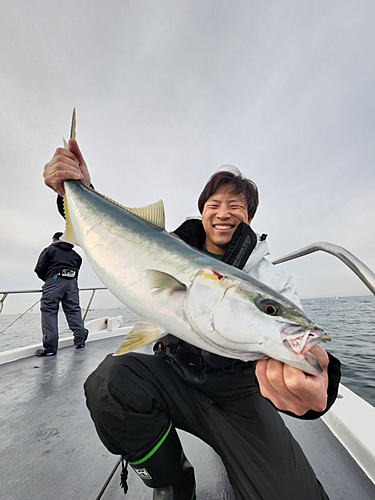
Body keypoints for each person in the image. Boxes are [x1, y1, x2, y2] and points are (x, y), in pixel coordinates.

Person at [43, 139, 341, 499]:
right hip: (175, 378)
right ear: (202, 212)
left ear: (249, 216)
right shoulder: (166, 244)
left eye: (236, 205)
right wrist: (76, 191)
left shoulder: (270, 279)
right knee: (110, 382)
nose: (223, 212)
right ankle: (172, 482)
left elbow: (302, 345)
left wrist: (322, 380)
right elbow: (111, 233)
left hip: (240, 397)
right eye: (213, 204)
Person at [34, 231, 88, 356]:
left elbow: (39, 269)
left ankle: (50, 348)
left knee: (49, 311)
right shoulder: (76, 255)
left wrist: (50, 279)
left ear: (54, 239)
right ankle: (80, 341)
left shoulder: (49, 250)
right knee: (73, 310)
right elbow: (76, 271)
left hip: (54, 281)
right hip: (72, 284)